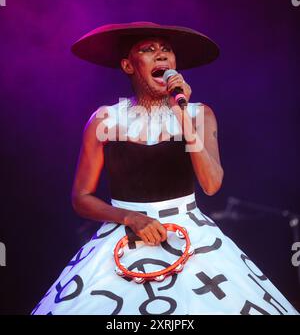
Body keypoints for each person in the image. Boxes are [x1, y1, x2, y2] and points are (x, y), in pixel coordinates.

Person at [31, 22, 298, 315]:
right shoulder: (105, 119)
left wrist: (180, 113)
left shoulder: (199, 114)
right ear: (129, 65)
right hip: (122, 237)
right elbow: (81, 197)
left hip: (189, 236)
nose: (161, 56)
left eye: (167, 50)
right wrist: (131, 217)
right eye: (148, 50)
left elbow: (211, 184)